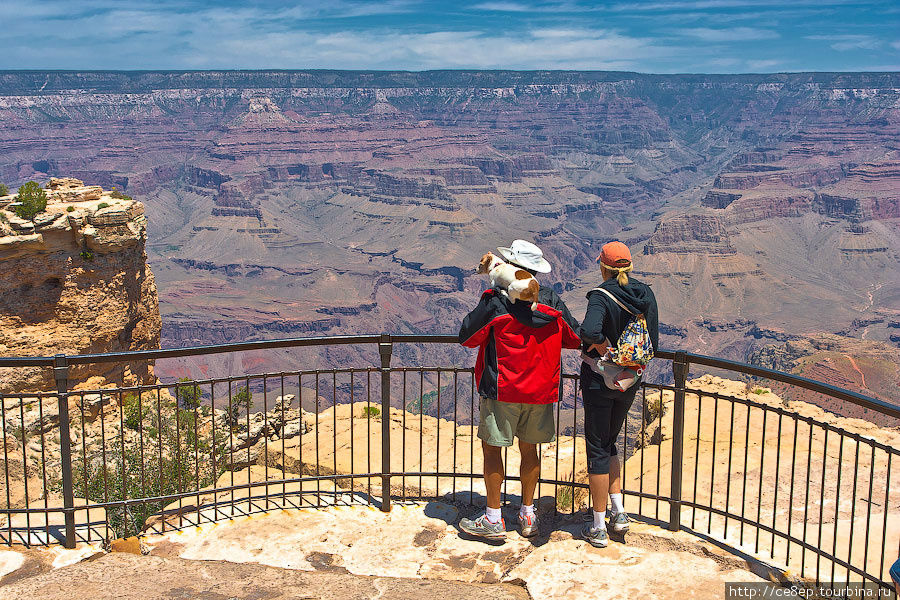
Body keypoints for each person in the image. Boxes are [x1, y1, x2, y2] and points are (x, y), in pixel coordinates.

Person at [458, 239, 581, 539]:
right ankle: (527, 515)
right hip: (540, 392)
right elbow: (575, 338)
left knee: (493, 451)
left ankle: (493, 518)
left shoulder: (495, 301)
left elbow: (467, 336)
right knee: (530, 451)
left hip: (502, 391)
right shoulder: (552, 301)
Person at [579, 241, 658, 548]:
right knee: (611, 442)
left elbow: (589, 331)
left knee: (597, 447)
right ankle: (619, 512)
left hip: (600, 379)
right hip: (630, 380)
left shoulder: (601, 295)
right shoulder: (646, 293)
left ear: (603, 266)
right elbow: (654, 340)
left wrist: (601, 346)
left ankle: (599, 526)